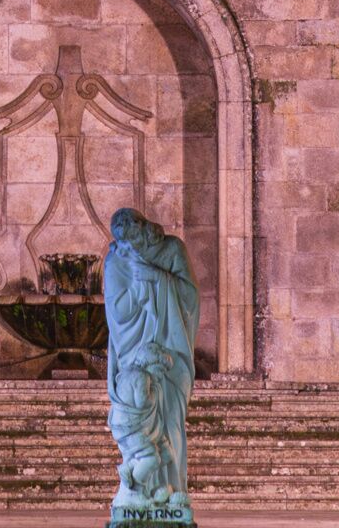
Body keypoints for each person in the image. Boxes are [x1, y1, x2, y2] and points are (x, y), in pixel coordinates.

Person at [101, 207, 197, 527]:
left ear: (145, 230)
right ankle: (138, 487)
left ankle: (173, 489)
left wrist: (158, 279)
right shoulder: (116, 261)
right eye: (123, 244)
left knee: (171, 420)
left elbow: (190, 298)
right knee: (142, 421)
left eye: (134, 241)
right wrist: (142, 289)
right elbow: (117, 312)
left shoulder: (172, 250)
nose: (129, 249)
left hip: (171, 348)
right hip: (135, 353)